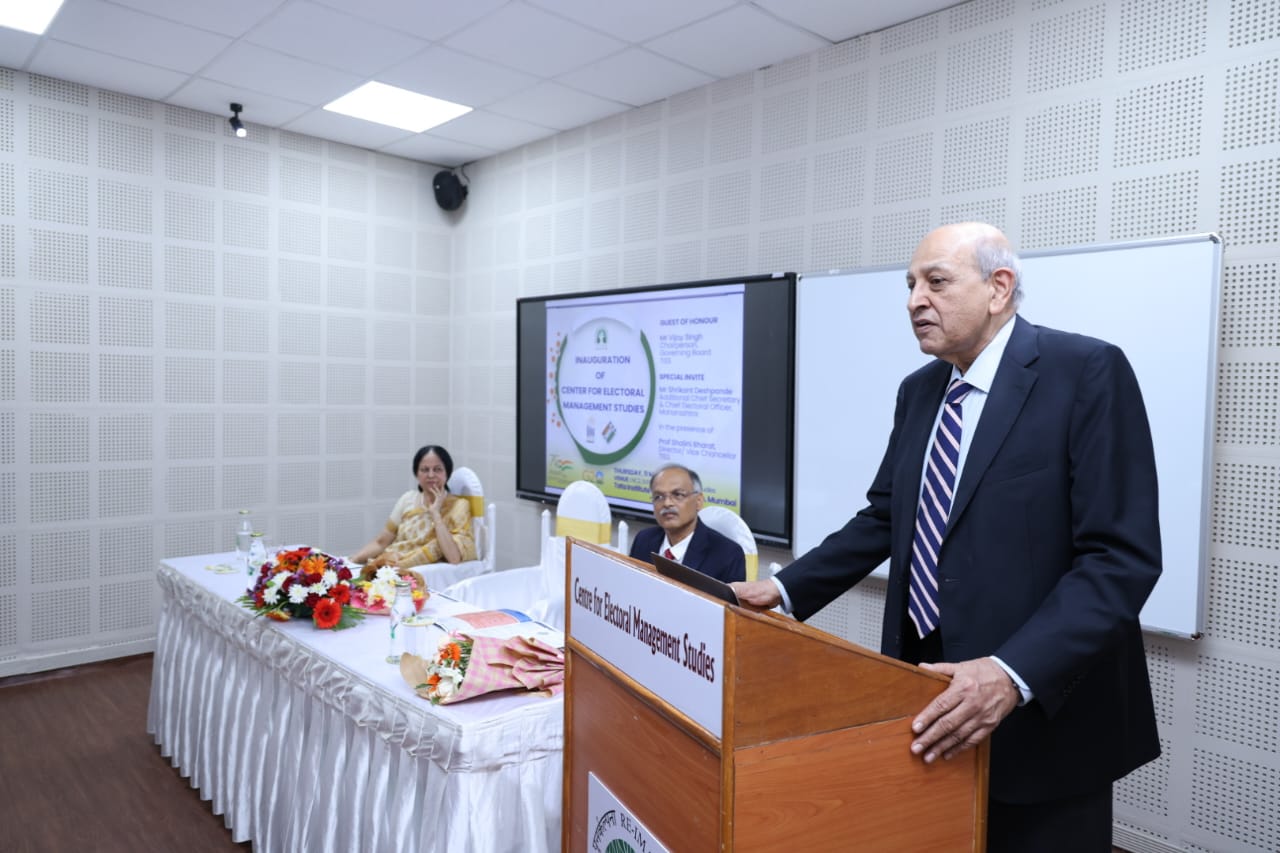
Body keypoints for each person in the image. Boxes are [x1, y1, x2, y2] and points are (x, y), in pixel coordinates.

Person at [731, 222, 1162, 852]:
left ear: (999, 288)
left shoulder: (1086, 372)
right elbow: (885, 515)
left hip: (1042, 712)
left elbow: (1119, 559)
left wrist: (1011, 673)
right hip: (927, 697)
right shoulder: (919, 391)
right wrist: (783, 589)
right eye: (909, 285)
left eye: (936, 282)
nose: (913, 300)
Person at [352, 445, 476, 568]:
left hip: (422, 576)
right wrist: (352, 561)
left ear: (447, 473)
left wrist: (436, 515)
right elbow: (381, 542)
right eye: (425, 470)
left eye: (437, 469)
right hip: (390, 566)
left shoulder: (459, 506)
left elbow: (454, 558)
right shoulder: (408, 499)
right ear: (417, 474)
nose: (431, 475)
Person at [629, 463, 746, 584]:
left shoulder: (727, 554)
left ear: (699, 501)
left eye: (678, 495)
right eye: (658, 497)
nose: (667, 503)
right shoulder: (643, 539)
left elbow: (729, 603)